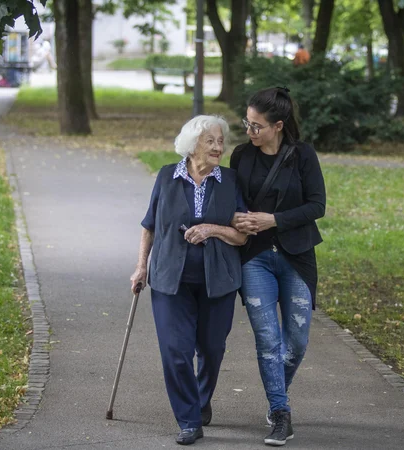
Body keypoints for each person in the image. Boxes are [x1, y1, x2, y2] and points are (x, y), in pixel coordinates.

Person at [130, 115, 248, 446]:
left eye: (221, 141)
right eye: (210, 140)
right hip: (170, 278)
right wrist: (141, 266)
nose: (218, 147)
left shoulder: (230, 181)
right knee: (176, 350)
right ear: (192, 143)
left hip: (218, 280)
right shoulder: (167, 176)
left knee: (211, 349)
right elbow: (149, 225)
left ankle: (200, 397)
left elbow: (242, 236)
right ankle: (188, 418)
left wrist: (213, 229)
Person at [230, 87, 326, 446]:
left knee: (296, 342)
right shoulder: (241, 156)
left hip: (296, 257)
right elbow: (233, 200)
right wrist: (236, 217)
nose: (249, 131)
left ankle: (275, 392)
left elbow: (317, 206)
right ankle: (280, 412)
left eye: (256, 126)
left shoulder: (303, 156)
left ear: (279, 126)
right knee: (268, 340)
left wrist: (274, 220)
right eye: (248, 123)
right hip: (254, 259)